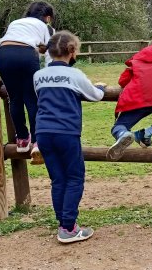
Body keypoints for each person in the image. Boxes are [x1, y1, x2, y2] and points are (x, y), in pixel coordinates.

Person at [33, 31, 105, 244]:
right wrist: (100, 87)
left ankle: (63, 222)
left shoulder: (38, 76)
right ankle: (68, 228)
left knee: (58, 179)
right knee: (74, 177)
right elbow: (95, 95)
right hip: (66, 132)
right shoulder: (75, 74)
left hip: (43, 132)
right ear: (72, 51)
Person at [0, 1, 55, 164]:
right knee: (32, 99)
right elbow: (51, 51)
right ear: (47, 17)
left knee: (14, 99)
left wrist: (2, 74)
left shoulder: (15, 23)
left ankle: (22, 140)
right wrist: (51, 71)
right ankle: (37, 141)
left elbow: (2, 44)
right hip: (26, 54)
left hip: (4, 55)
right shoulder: (46, 27)